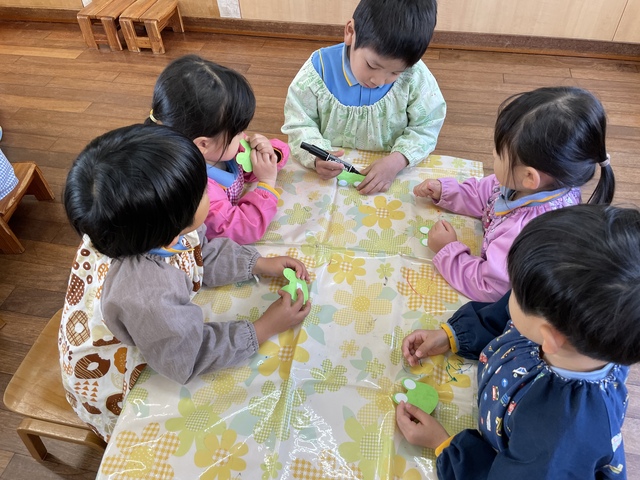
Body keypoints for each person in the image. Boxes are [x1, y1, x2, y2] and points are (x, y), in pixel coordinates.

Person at [59, 124, 311, 441]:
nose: (211, 190)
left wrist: (256, 264)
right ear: (172, 226)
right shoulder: (147, 293)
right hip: (113, 377)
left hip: (153, 329)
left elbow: (197, 250)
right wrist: (263, 328)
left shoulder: (147, 228)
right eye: (204, 191)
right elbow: (186, 355)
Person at [396, 204, 639, 479]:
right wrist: (452, 335)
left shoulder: (558, 434)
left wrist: (444, 445)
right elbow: (503, 316)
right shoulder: (581, 334)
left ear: (549, 337)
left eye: (515, 293)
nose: (508, 294)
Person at [414, 86, 615, 302]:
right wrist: (447, 191)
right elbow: (485, 193)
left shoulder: (526, 234)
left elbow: (491, 286)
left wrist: (448, 250)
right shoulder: (542, 180)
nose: (493, 153)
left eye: (499, 155)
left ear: (529, 176)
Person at [281, 0, 445, 195]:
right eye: (372, 66)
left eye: (395, 73)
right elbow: (299, 124)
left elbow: (427, 126)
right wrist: (316, 157)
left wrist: (397, 160)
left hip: (389, 172)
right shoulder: (318, 71)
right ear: (350, 32)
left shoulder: (415, 75)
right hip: (330, 180)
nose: (379, 81)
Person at [147, 54, 289, 244]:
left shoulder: (214, 145)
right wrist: (267, 183)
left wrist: (271, 154)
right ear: (203, 144)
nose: (243, 136)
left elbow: (249, 165)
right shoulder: (199, 192)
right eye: (237, 133)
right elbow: (241, 229)